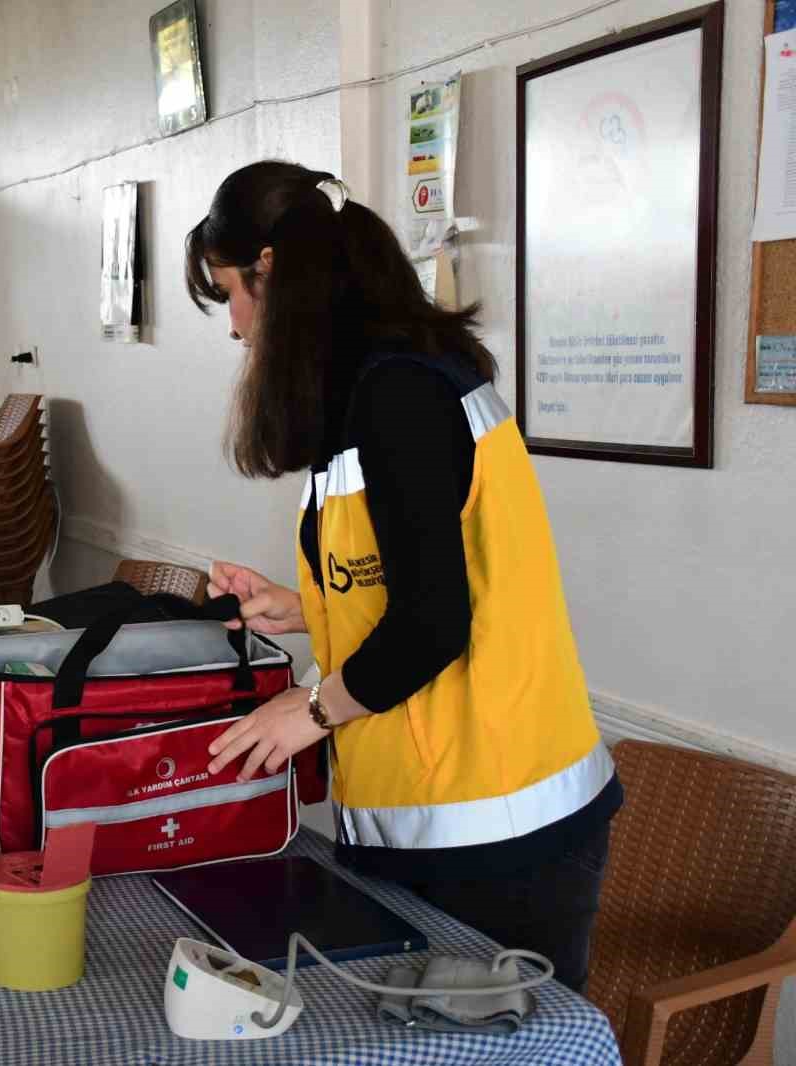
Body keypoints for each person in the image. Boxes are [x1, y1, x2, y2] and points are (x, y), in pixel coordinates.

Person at [184, 161, 622, 992]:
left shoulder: (401, 397)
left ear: (274, 274)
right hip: (441, 823)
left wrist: (307, 711)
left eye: (232, 292)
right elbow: (404, 578)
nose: (237, 326)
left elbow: (432, 623)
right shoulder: (370, 393)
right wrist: (304, 605)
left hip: (500, 834)